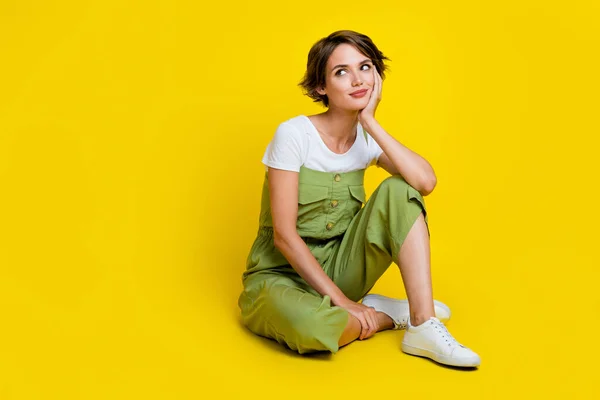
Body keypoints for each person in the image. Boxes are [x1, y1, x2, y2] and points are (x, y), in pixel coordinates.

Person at [237, 30, 480, 368]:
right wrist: (343, 302)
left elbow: (425, 182)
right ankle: (387, 316)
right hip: (280, 277)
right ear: (321, 87)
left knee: (400, 189)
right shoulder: (294, 135)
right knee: (313, 328)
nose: (357, 80)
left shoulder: (366, 140)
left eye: (365, 67)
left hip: (341, 270)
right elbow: (284, 236)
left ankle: (422, 324)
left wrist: (370, 121)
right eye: (341, 72)